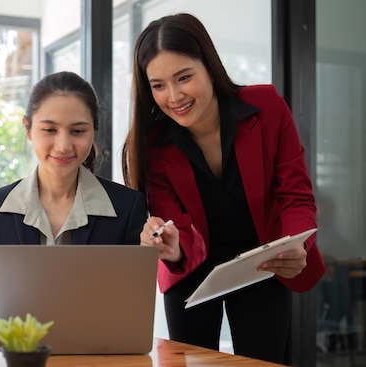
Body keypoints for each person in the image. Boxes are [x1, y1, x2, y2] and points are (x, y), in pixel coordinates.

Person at [121, 13, 325, 364]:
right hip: (192, 269)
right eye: (158, 85)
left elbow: (296, 196)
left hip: (263, 259)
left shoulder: (267, 107)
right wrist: (170, 247)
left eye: (184, 77)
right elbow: (175, 224)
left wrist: (297, 245)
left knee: (264, 360)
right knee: (190, 362)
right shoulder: (153, 145)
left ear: (210, 66)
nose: (174, 96)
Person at [0, 71, 148, 337]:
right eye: (49, 130)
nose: (63, 145)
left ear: (94, 130)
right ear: (28, 129)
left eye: (78, 131)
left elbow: (132, 306)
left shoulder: (128, 209)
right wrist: (16, 345)